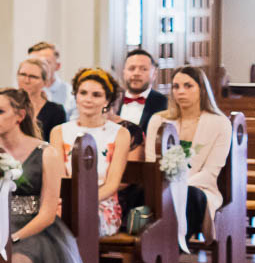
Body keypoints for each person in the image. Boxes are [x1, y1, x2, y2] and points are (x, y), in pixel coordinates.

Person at [0, 89, 95, 263]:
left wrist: (12, 238)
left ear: (19, 115)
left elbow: (47, 213)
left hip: (35, 232)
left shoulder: (46, 153)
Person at [145, 66, 231, 242]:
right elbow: (151, 162)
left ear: (202, 89)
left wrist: (177, 187)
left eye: (188, 86)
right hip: (160, 187)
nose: (180, 92)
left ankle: (171, 250)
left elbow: (210, 173)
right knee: (139, 194)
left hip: (200, 188)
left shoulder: (219, 123)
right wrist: (165, 188)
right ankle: (145, 251)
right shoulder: (159, 120)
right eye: (176, 87)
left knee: (189, 196)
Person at [51, 68, 131, 238]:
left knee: (77, 218)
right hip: (65, 200)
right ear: (76, 96)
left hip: (102, 203)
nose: (88, 99)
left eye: (96, 95)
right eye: (83, 93)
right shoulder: (58, 131)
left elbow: (112, 184)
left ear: (107, 100)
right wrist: (69, 201)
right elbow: (59, 177)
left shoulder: (120, 133)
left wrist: (83, 202)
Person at [118, 49, 170, 140]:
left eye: (143, 69)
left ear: (154, 74)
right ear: (124, 72)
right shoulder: (113, 100)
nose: (136, 73)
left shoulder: (163, 103)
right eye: (131, 68)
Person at [14, 57, 67, 140]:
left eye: (33, 77)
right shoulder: (7, 104)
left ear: (45, 82)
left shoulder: (55, 111)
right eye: (23, 75)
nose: (27, 80)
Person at [30, 40, 74, 119]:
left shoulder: (71, 94)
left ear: (57, 66)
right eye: (34, 63)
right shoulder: (22, 92)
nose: (39, 67)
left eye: (45, 63)